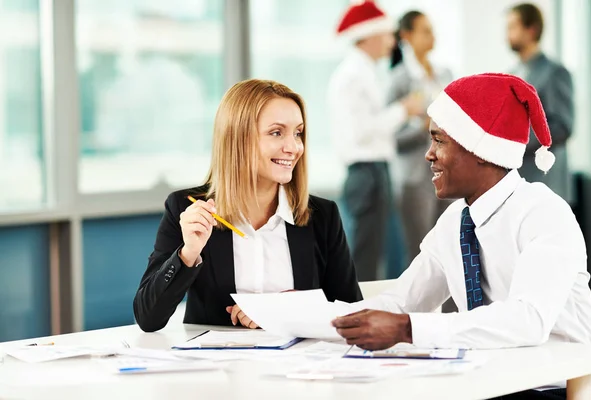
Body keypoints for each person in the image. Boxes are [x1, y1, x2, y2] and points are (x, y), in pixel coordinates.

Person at [332, 73, 591, 398]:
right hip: (491, 382)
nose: (428, 154)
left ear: (481, 150)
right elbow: (403, 300)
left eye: (439, 141)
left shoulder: (543, 213)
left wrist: (407, 328)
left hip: (556, 386)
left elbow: (528, 319)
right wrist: (317, 318)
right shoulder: (455, 220)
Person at [134, 79, 362, 332]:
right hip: (217, 368)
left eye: (298, 133)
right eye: (277, 132)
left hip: (296, 367)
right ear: (238, 138)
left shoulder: (322, 216)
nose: (294, 147)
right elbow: (148, 318)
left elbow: (352, 313)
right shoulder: (186, 209)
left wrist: (288, 307)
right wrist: (188, 253)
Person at [328, 1, 423, 281]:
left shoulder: (365, 72)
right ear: (369, 35)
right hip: (365, 171)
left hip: (373, 171)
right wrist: (402, 110)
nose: (393, 42)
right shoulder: (352, 75)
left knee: (372, 252)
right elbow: (361, 130)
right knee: (364, 254)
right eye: (388, 35)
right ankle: (357, 315)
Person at [387, 10, 454, 269]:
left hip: (448, 172)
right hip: (415, 177)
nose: (432, 36)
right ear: (407, 36)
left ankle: (453, 312)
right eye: (425, 31)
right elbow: (391, 137)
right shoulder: (397, 80)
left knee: (452, 249)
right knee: (421, 253)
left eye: (432, 30)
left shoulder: (445, 73)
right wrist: (425, 127)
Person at [507, 3, 574, 204]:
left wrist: (516, 144)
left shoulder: (555, 72)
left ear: (531, 29)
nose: (507, 34)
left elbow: (562, 126)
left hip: (546, 181)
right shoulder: (512, 74)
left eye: (512, 27)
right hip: (519, 180)